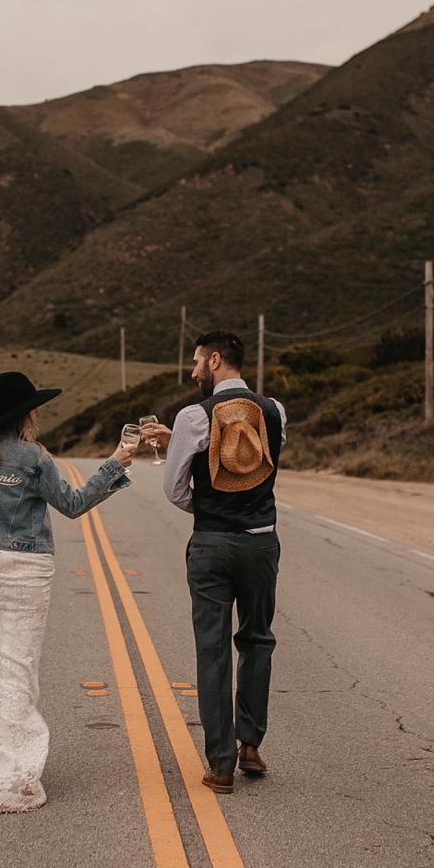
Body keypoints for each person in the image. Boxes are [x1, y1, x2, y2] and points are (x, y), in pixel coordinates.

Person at [0, 371, 135, 813]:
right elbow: (73, 503)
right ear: (26, 412)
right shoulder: (35, 457)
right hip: (28, 571)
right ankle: (20, 773)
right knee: (19, 669)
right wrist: (115, 463)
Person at [141, 331, 288, 795]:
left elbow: (175, 489)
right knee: (258, 640)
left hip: (212, 544)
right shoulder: (275, 410)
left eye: (197, 362)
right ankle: (251, 745)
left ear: (216, 360)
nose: (192, 371)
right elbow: (252, 464)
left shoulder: (192, 416)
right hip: (262, 543)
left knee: (213, 650)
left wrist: (209, 507)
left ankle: (220, 764)